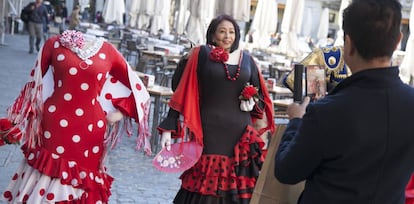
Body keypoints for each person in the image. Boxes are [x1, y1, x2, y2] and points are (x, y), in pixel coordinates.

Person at [274, 0, 414, 203]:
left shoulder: (325, 112)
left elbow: (286, 172)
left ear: (348, 44)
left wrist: (296, 121)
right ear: (398, 41)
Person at [1, 30, 151, 203]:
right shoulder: (54, 44)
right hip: (54, 124)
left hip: (90, 130)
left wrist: (120, 112)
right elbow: (33, 84)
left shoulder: (108, 51)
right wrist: (14, 122)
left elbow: (137, 87)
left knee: (82, 180)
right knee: (51, 171)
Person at [157, 14, 275, 203]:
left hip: (241, 132)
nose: (228, 36)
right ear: (212, 36)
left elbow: (261, 98)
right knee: (205, 185)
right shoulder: (201, 54)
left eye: (232, 32)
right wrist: (169, 126)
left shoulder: (248, 60)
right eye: (222, 31)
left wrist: (252, 100)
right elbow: (181, 89)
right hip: (209, 130)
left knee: (236, 183)